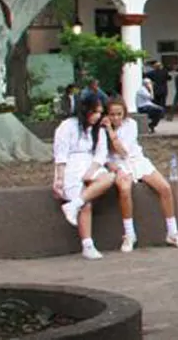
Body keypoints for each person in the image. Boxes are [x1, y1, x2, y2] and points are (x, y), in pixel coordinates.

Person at [102, 98, 178, 252]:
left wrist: (112, 133)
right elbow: (104, 155)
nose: (116, 118)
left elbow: (124, 151)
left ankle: (172, 231)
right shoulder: (100, 130)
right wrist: (109, 131)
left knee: (164, 188)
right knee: (124, 190)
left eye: (119, 114)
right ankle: (129, 234)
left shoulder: (131, 125)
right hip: (117, 164)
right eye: (112, 114)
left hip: (136, 160)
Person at [52, 99, 115, 259]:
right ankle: (87, 244)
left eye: (100, 113)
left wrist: (91, 170)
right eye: (94, 112)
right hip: (71, 165)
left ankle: (73, 205)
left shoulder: (98, 129)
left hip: (90, 162)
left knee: (109, 177)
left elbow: (101, 153)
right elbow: (61, 155)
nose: (97, 116)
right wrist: (59, 179)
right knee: (86, 203)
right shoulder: (67, 126)